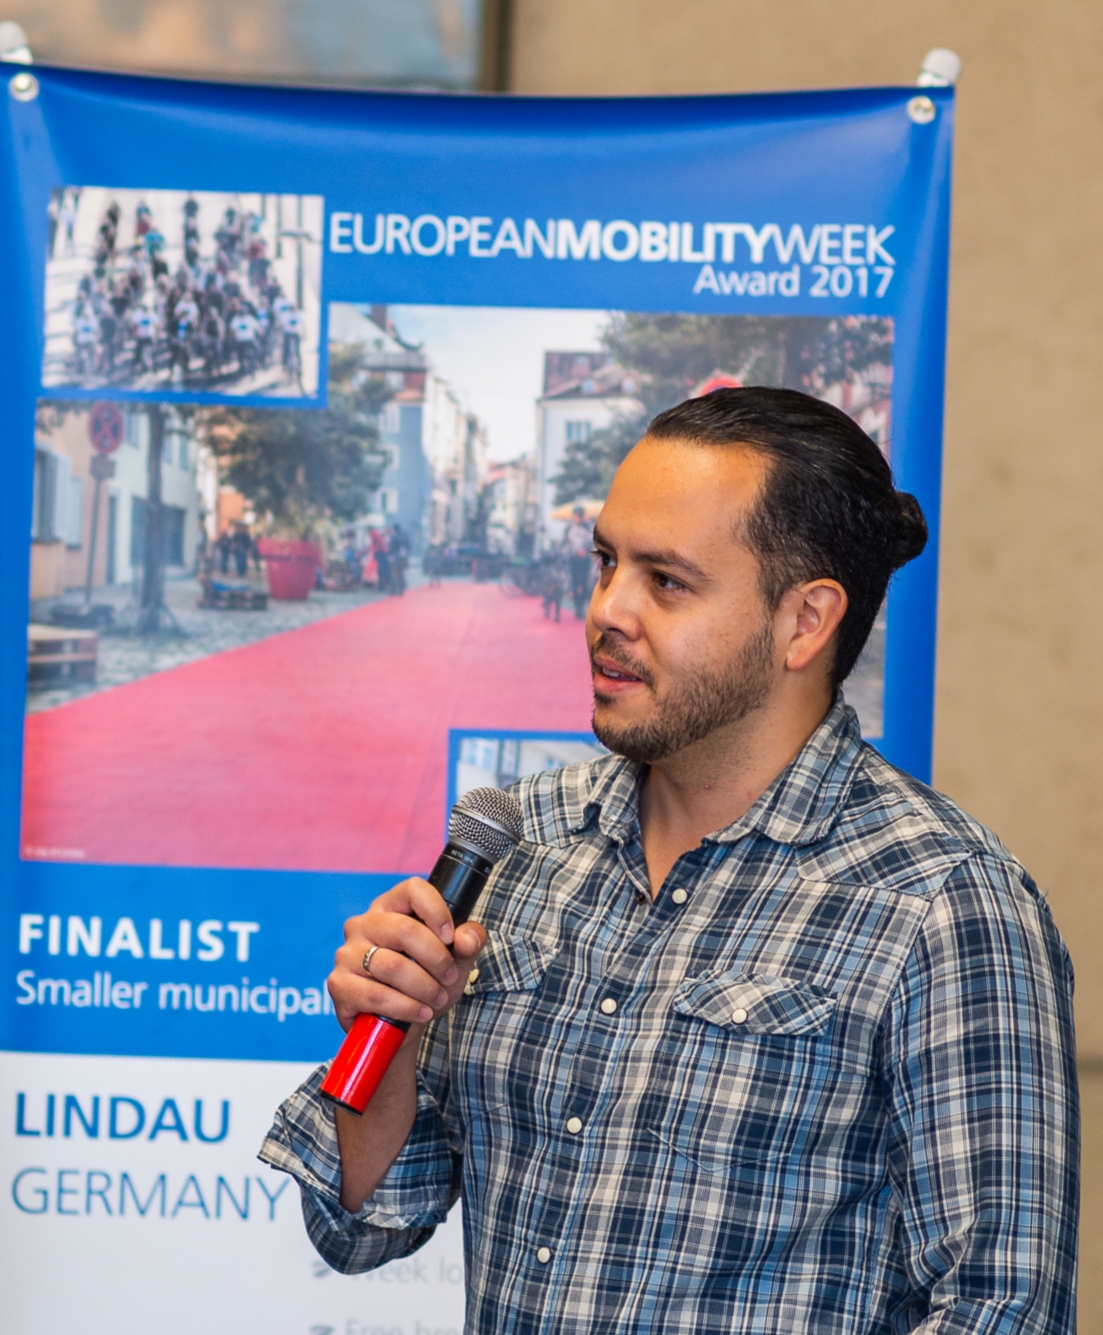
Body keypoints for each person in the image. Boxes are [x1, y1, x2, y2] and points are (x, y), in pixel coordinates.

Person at [260, 387, 1077, 1335]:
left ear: (804, 621)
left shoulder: (943, 899)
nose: (606, 610)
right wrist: (390, 1041)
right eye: (606, 561)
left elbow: (1002, 1307)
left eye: (666, 581)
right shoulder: (525, 839)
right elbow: (363, 1224)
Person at [562, 503, 595, 619]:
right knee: (575, 582)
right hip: (573, 558)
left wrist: (585, 550)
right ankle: (577, 607)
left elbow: (591, 541)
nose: (578, 518)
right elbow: (565, 543)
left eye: (580, 515)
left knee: (584, 583)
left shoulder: (588, 527)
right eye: (577, 515)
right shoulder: (569, 527)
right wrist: (573, 551)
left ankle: (582, 606)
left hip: (585, 558)